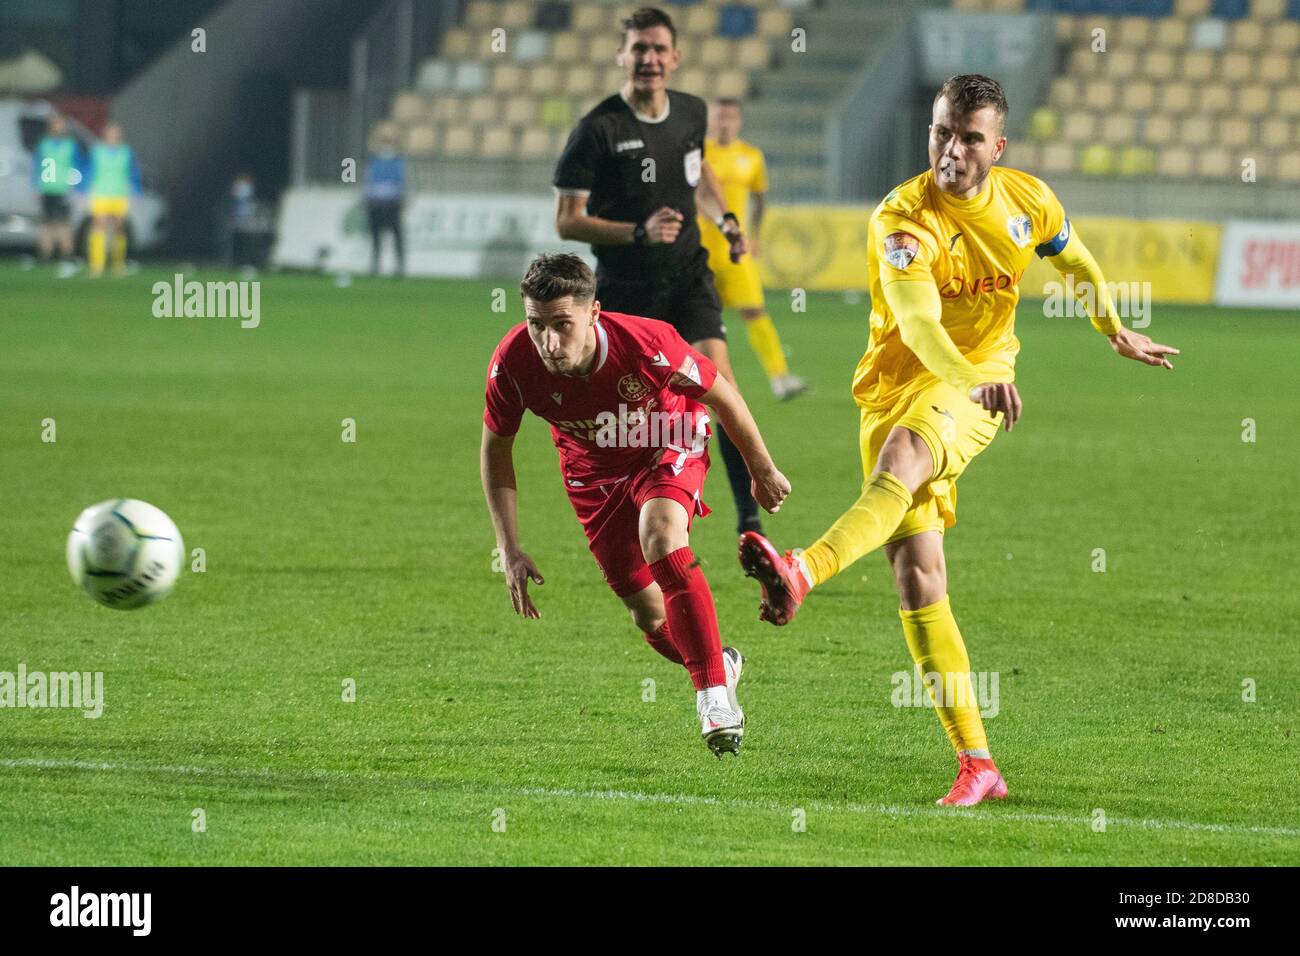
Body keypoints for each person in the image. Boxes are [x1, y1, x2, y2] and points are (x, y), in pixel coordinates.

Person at [738, 74, 1180, 805]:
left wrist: (1112, 328)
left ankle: (802, 571)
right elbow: (917, 325)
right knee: (917, 575)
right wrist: (960, 373)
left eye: (970, 137)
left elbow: (1075, 258)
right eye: (943, 132)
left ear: (997, 146)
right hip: (895, 385)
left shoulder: (1027, 201)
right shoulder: (903, 219)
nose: (952, 149)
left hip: (982, 383)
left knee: (902, 461)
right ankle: (979, 763)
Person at [481, 253, 791, 756]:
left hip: (666, 440)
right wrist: (509, 548)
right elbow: (496, 452)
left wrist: (762, 469)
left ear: (594, 314)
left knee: (662, 535)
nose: (549, 342)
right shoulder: (513, 362)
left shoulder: (649, 345)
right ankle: (719, 663)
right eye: (536, 325)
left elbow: (723, 395)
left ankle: (713, 696)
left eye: (562, 325)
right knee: (647, 615)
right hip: (591, 474)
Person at [553, 6, 765, 536]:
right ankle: (641, 515)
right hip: (627, 289)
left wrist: (730, 220)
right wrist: (637, 232)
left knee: (721, 386)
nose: (648, 59)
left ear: (675, 57)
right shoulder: (596, 130)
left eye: (657, 49)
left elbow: (699, 177)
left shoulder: (692, 112)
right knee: (637, 413)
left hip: (689, 276)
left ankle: (750, 526)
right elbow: (567, 222)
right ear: (621, 56)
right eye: (638, 49)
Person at [699, 98, 806, 400]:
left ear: (739, 121)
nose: (724, 123)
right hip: (700, 249)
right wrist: (721, 223)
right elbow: (696, 195)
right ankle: (694, 381)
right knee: (699, 318)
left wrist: (754, 235)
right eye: (719, 117)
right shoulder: (699, 153)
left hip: (737, 249)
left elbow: (759, 199)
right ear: (710, 120)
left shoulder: (751, 156)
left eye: (730, 117)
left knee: (755, 310)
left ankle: (780, 377)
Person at [84, 122, 140, 279]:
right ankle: (96, 266)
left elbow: (132, 172)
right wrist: (86, 188)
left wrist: (136, 189)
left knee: (119, 228)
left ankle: (118, 266)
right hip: (100, 193)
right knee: (98, 227)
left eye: (116, 133)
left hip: (120, 194)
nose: (113, 136)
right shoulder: (97, 151)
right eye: (110, 133)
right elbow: (90, 170)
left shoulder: (126, 152)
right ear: (105, 135)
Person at [32, 112, 82, 273]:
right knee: (47, 224)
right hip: (47, 188)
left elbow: (77, 166)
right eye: (56, 124)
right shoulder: (44, 144)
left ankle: (67, 256)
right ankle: (44, 256)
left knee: (63, 224)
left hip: (63, 188)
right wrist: (35, 183)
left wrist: (76, 185)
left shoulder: (70, 146)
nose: (58, 127)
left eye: (61, 124)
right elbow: (38, 164)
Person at [364, 123, 406, 277]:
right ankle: (374, 266)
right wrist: (367, 199)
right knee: (376, 238)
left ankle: (399, 267)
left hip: (392, 203)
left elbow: (406, 183)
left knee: (397, 237)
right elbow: (367, 182)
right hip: (376, 203)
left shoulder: (399, 161)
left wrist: (403, 200)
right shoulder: (373, 161)